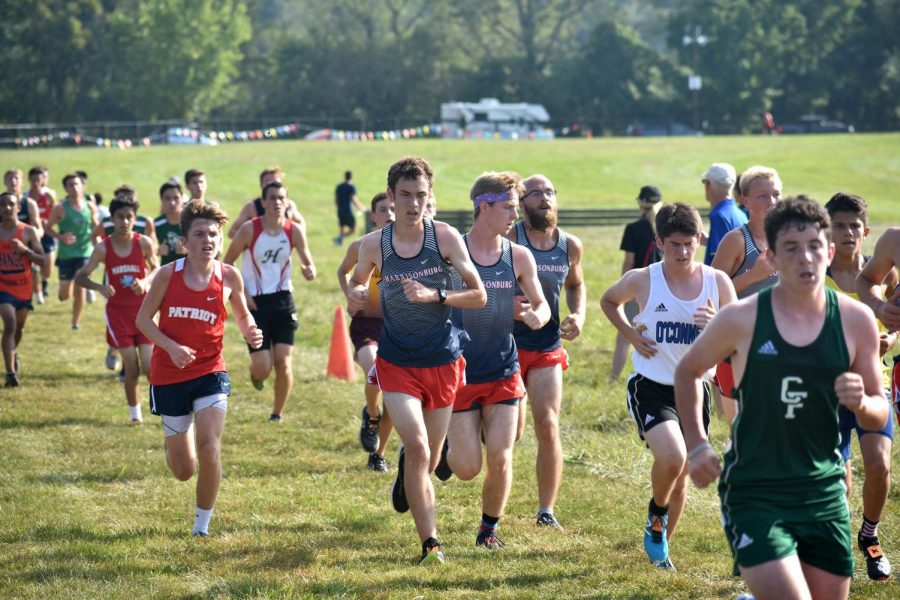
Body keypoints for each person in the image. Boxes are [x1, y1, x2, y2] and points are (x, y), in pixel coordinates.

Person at [675, 197, 888, 600]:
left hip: (823, 490)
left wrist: (861, 403)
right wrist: (697, 445)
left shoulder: (855, 321)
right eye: (791, 248)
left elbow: (878, 414)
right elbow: (687, 371)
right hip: (756, 487)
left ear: (829, 252)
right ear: (771, 258)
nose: (805, 258)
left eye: (813, 246)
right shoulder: (741, 318)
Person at [347, 156, 485, 565]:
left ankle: (412, 462)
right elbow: (355, 283)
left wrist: (436, 296)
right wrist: (354, 295)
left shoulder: (444, 238)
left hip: (442, 360)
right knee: (422, 449)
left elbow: (477, 294)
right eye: (404, 195)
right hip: (397, 362)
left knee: (427, 452)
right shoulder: (375, 244)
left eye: (420, 195)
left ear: (430, 196)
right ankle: (431, 544)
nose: (413, 204)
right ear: (390, 196)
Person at [601, 202, 736, 570]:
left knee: (681, 478)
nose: (682, 251)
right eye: (674, 244)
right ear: (659, 241)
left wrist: (718, 322)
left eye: (689, 243)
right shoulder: (643, 279)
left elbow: (739, 337)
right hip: (652, 384)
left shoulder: (717, 282)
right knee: (674, 457)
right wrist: (630, 333)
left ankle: (661, 549)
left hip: (695, 392)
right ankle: (656, 517)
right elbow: (609, 300)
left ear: (699, 240)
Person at [136, 200, 262, 537]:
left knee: (210, 448)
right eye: (200, 234)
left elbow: (242, 313)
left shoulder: (229, 276)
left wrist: (250, 328)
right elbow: (142, 320)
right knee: (182, 469)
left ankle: (201, 525)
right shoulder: (167, 275)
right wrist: (171, 347)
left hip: (210, 373)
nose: (208, 240)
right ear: (184, 242)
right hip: (169, 376)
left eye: (213, 235)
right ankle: (178, 439)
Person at [444, 171, 549, 549]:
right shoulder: (452, 252)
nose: (514, 216)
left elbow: (541, 303)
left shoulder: (518, 255)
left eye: (515, 208)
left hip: (504, 368)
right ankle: (444, 450)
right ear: (483, 207)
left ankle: (488, 530)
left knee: (501, 456)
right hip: (460, 370)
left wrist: (539, 314)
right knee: (469, 468)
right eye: (507, 208)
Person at [823, 192, 895, 580]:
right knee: (839, 481)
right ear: (827, 231)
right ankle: (833, 542)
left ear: (866, 231)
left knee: (880, 467)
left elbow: (894, 321)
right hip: (829, 392)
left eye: (854, 225)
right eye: (839, 225)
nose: (848, 232)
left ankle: (869, 535)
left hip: (873, 387)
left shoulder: (883, 272)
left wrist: (888, 340)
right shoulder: (816, 276)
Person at [508, 174, 585, 530]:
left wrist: (579, 313)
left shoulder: (569, 246)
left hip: (547, 346)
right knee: (513, 433)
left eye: (550, 192)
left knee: (548, 424)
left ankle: (546, 510)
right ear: (521, 203)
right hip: (504, 345)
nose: (544, 198)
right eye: (535, 193)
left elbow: (576, 284)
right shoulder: (509, 239)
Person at [223, 181, 315, 421]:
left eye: (281, 198)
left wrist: (309, 270)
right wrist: (244, 294)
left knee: (283, 363)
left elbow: (308, 260)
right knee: (263, 368)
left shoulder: (293, 230)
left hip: (284, 300)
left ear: (287, 202)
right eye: (271, 198)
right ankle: (257, 375)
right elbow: (228, 263)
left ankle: (277, 413)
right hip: (255, 304)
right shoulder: (249, 230)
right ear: (263, 202)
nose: (276, 202)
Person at [75, 195, 158, 422]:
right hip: (118, 313)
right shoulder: (103, 248)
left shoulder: (143, 243)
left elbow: (157, 270)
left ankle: (164, 409)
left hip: (143, 312)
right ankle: (135, 415)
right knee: (131, 368)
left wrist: (145, 282)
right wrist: (99, 287)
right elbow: (80, 277)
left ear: (135, 218)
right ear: (111, 219)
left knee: (151, 368)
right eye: (119, 217)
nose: (124, 221)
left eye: (129, 217)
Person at [711, 166, 782, 423]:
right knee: (741, 427)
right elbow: (711, 291)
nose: (771, 201)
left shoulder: (787, 240)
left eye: (776, 194)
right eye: (763, 195)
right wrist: (753, 275)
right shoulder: (736, 240)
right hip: (738, 345)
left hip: (780, 343)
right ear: (745, 200)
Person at [337, 192, 396, 471]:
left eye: (394, 209)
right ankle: (371, 414)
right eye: (383, 210)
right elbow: (343, 272)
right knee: (375, 368)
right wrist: (351, 296)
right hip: (366, 324)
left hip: (397, 326)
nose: (390, 215)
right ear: (374, 216)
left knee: (395, 391)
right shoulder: (361, 246)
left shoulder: (409, 248)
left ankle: (378, 454)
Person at [610, 185, 663, 382]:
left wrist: (623, 289)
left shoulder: (633, 228)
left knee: (625, 336)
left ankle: (614, 378)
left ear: (640, 203)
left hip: (638, 287)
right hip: (662, 286)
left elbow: (629, 263)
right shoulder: (665, 228)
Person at [0, 191, 45, 387]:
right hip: (3, 288)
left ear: (19, 208)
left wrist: (25, 250)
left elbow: (43, 260)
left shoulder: (28, 232)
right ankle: (10, 373)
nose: (7, 208)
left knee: (18, 329)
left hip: (24, 288)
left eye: (11, 204)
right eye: (3, 205)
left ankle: (12, 354)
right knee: (9, 324)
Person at [46, 173, 98, 330]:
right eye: (70, 185)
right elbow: (47, 228)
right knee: (64, 295)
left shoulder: (90, 206)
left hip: (84, 253)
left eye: (77, 184)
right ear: (66, 189)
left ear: (82, 186)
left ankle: (75, 322)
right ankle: (64, 292)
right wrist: (60, 237)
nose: (74, 187)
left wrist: (100, 245)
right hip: (66, 255)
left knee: (80, 286)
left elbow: (96, 228)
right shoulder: (60, 208)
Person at [226, 166, 305, 239]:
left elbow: (301, 223)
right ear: (261, 185)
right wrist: (253, 239)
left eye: (276, 182)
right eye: (268, 182)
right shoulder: (252, 207)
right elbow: (232, 232)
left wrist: (296, 239)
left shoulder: (289, 205)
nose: (272, 186)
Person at [701, 163, 746, 266]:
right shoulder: (740, 213)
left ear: (708, 184)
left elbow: (717, 266)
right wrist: (709, 242)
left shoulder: (718, 216)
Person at [24, 166, 57, 303]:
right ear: (29, 180)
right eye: (33, 180)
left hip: (48, 234)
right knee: (34, 267)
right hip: (33, 235)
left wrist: (53, 203)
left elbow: (58, 214)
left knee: (48, 268)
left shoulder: (49, 195)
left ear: (43, 180)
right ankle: (38, 292)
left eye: (39, 179)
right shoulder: (26, 197)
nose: (36, 182)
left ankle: (44, 282)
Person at [155, 181, 186, 266]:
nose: (172, 203)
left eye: (176, 198)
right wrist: (158, 251)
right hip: (167, 274)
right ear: (161, 200)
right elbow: (144, 251)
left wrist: (187, 250)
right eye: (167, 198)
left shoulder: (192, 222)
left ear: (182, 198)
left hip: (191, 272)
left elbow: (204, 247)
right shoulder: (156, 224)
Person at [334, 170, 365, 245]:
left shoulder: (339, 186)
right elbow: (353, 199)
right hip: (348, 210)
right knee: (353, 229)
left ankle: (339, 241)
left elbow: (336, 200)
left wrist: (339, 208)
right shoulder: (351, 187)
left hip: (340, 210)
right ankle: (340, 239)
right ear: (351, 177)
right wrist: (361, 208)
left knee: (342, 227)